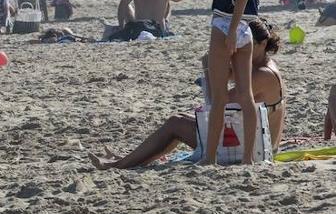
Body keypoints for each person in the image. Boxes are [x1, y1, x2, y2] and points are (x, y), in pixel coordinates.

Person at [90, 19, 283, 169]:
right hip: (255, 140)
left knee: (176, 123)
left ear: (263, 43)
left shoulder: (262, 74)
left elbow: (216, 104)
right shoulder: (263, 65)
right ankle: (127, 160)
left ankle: (120, 165)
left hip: (257, 148)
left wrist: (209, 68)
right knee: (180, 120)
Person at [204, 0, 261, 165]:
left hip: (226, 26)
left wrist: (229, 33)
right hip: (246, 32)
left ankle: (209, 158)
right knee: (246, 98)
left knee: (219, 98)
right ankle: (248, 158)